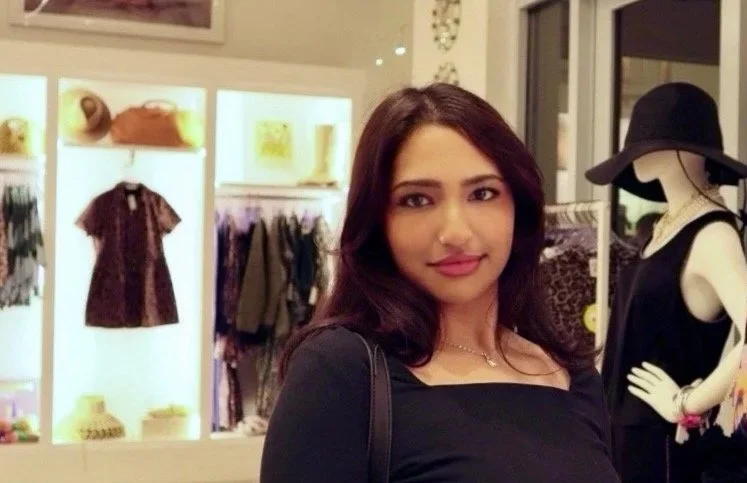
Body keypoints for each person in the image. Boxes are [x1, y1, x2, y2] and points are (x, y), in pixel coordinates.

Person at [259, 83, 620, 482]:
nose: (455, 232)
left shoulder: (573, 377)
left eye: (483, 193)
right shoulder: (341, 371)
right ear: (378, 220)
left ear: (518, 207)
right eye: (417, 200)